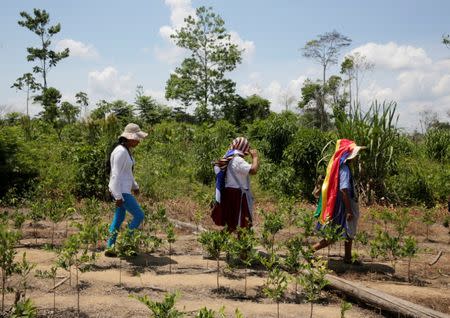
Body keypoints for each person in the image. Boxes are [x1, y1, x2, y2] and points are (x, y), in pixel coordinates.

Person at [312, 139, 365, 264]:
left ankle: (348, 257)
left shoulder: (338, 167)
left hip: (339, 204)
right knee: (336, 234)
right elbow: (344, 190)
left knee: (348, 232)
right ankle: (310, 250)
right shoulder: (345, 169)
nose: (356, 157)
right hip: (344, 206)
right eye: (354, 154)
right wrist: (348, 210)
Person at [105, 123, 148, 257]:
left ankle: (110, 247)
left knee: (119, 218)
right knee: (139, 215)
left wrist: (135, 186)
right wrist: (117, 196)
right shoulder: (121, 152)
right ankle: (126, 244)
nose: (138, 141)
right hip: (121, 191)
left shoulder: (126, 151)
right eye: (137, 138)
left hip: (123, 190)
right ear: (130, 137)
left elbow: (127, 173)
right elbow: (115, 174)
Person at [214, 137, 259, 232]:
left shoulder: (229, 158)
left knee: (231, 224)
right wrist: (255, 157)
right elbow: (253, 170)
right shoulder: (237, 160)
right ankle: (243, 245)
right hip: (238, 195)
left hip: (229, 193)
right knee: (244, 223)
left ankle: (219, 242)